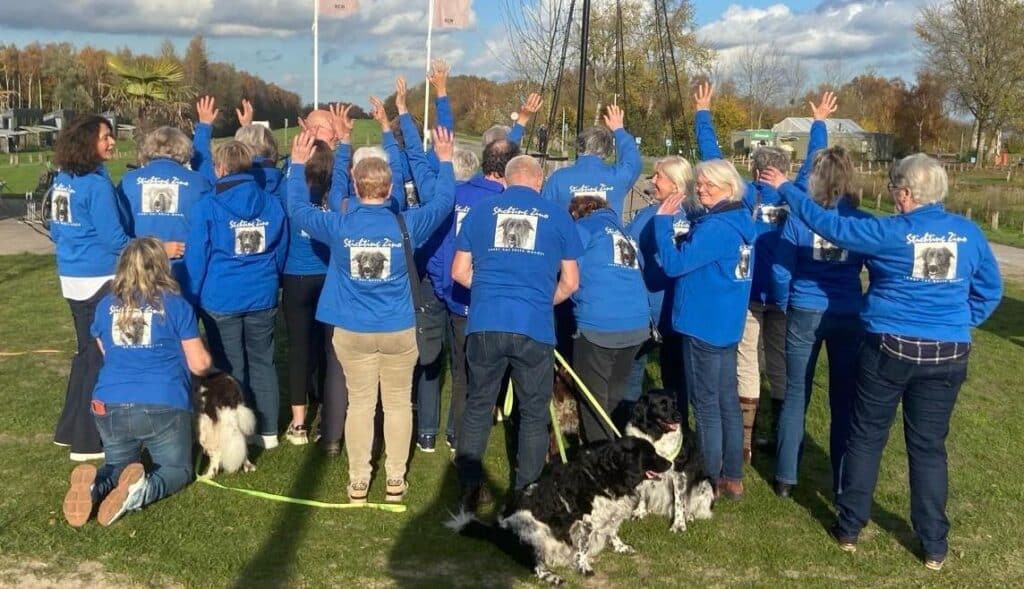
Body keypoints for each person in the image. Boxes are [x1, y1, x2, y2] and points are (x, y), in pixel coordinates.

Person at [760, 154, 1002, 570]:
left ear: (906, 193)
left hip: (890, 347)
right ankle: (934, 545)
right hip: (947, 355)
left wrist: (786, 188)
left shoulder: (890, 232)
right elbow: (989, 290)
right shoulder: (969, 233)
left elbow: (832, 226)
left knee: (868, 435)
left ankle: (850, 526)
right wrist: (957, 322)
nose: (891, 195)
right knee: (928, 448)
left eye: (893, 188)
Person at [286, 122, 455, 504]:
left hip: (352, 329)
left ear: (355, 187)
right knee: (397, 404)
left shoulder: (339, 224)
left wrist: (297, 166)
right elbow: (444, 203)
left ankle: (359, 480)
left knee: (361, 404)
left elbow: (297, 209)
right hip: (399, 328)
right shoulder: (407, 224)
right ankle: (395, 479)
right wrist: (444, 162)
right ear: (390, 189)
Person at [452, 154, 583, 511]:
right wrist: (544, 298)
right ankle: (527, 491)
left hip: (486, 322)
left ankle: (468, 487)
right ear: (539, 182)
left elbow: (459, 272)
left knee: (479, 404)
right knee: (533, 410)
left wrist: (489, 291)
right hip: (534, 325)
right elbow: (571, 282)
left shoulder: (481, 212)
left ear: (505, 182)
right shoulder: (557, 216)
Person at [61, 237, 212, 527]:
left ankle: (94, 488)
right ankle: (138, 492)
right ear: (162, 267)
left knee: (119, 466)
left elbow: (107, 353)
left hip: (109, 403)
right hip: (163, 402)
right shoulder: (176, 306)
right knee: (177, 469)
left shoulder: (105, 306)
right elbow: (199, 364)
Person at [771, 93, 872, 498]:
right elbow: (872, 267)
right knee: (843, 397)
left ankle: (785, 477)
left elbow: (781, 269)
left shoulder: (800, 218)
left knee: (797, 392)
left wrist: (784, 300)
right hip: (847, 310)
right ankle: (841, 478)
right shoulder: (861, 221)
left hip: (804, 308)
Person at [695, 83, 788, 462]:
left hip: (750, 288)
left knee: (746, 360)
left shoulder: (748, 197)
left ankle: (746, 441)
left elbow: (714, 158)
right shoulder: (794, 197)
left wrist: (703, 113)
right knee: (780, 364)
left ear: (753, 170)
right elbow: (816, 162)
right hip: (784, 293)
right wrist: (817, 126)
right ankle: (782, 438)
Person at [653, 158, 756, 500]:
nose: (701, 189)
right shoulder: (740, 221)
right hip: (726, 324)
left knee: (707, 405)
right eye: (699, 184)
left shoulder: (716, 229)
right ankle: (733, 474)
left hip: (703, 324)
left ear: (729, 188)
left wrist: (662, 225)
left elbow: (674, 264)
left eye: (709, 185)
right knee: (727, 399)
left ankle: (707, 480)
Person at [182, 140, 289, 450]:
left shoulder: (208, 206)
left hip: (221, 298)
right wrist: (273, 278)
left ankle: (236, 433)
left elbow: (197, 259)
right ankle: (267, 431)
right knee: (263, 362)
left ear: (219, 168)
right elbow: (279, 250)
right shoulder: (271, 203)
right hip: (262, 293)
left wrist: (191, 297)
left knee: (231, 367)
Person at [50, 115, 133, 461]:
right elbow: (115, 240)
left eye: (111, 136)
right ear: (88, 143)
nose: (112, 142)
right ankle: (86, 442)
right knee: (99, 356)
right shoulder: (95, 186)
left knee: (85, 353)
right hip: (98, 279)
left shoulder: (64, 178)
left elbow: (56, 230)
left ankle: (68, 429)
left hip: (71, 276)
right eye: (105, 138)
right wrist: (152, 248)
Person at [437, 138, 520, 452]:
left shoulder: (457, 193)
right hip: (490, 300)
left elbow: (442, 247)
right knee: (488, 371)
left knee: (461, 370)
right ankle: (476, 428)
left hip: (457, 295)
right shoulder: (507, 203)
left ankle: (454, 432)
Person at [624, 156, 704, 423]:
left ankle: (630, 427)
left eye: (659, 176)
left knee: (633, 376)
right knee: (678, 376)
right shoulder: (700, 217)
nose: (653, 180)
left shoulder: (648, 217)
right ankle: (678, 426)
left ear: (675, 183)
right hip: (684, 310)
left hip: (649, 309)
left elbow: (629, 258)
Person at [569, 195, 650, 443]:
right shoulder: (626, 235)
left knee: (592, 397)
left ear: (578, 214)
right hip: (636, 324)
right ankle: (617, 447)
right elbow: (641, 267)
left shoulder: (583, 228)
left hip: (599, 324)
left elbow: (570, 269)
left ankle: (601, 456)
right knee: (615, 391)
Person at [279, 136, 335, 446]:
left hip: (296, 277)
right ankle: (328, 418)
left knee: (299, 350)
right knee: (329, 348)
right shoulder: (335, 195)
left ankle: (299, 424)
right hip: (327, 277)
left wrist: (294, 161)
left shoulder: (293, 193)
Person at [118, 126, 212, 284]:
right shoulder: (198, 182)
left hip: (140, 266)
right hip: (185, 268)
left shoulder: (128, 181)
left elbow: (119, 226)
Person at [540, 104, 642, 216]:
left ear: (578, 147)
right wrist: (619, 130)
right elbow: (633, 162)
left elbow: (543, 213)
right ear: (607, 151)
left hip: (570, 233)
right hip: (606, 232)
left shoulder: (558, 179)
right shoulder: (618, 177)